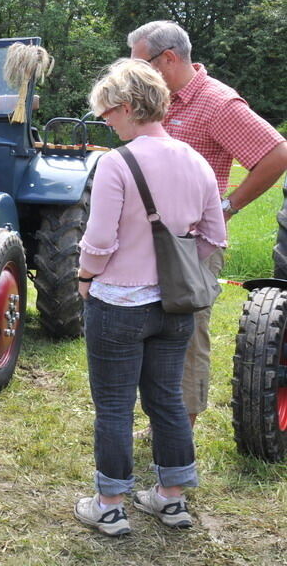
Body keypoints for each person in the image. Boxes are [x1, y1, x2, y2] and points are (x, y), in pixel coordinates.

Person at [73, 59, 226, 536]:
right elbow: (212, 237)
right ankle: (171, 498)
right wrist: (176, 272)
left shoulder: (117, 162)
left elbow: (100, 239)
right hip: (175, 305)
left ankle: (110, 504)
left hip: (118, 303)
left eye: (107, 114)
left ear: (127, 107)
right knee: (166, 402)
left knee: (114, 407)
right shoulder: (196, 160)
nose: (106, 122)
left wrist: (85, 276)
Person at [128, 21, 287, 429]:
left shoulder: (217, 104)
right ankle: (163, 416)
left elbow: (276, 153)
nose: (135, 74)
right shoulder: (161, 99)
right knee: (155, 329)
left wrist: (228, 206)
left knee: (185, 333)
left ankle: (182, 426)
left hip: (193, 246)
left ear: (168, 58)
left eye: (141, 63)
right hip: (155, 240)